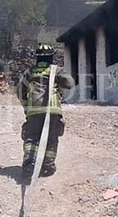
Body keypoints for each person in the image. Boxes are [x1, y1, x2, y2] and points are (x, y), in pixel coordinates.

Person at [16, 44, 74, 179]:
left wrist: (26, 107)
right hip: (53, 110)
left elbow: (19, 91)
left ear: (37, 57)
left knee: (32, 137)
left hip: (34, 110)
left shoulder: (30, 72)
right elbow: (70, 84)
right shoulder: (56, 70)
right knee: (52, 138)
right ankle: (47, 166)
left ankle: (29, 164)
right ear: (51, 57)